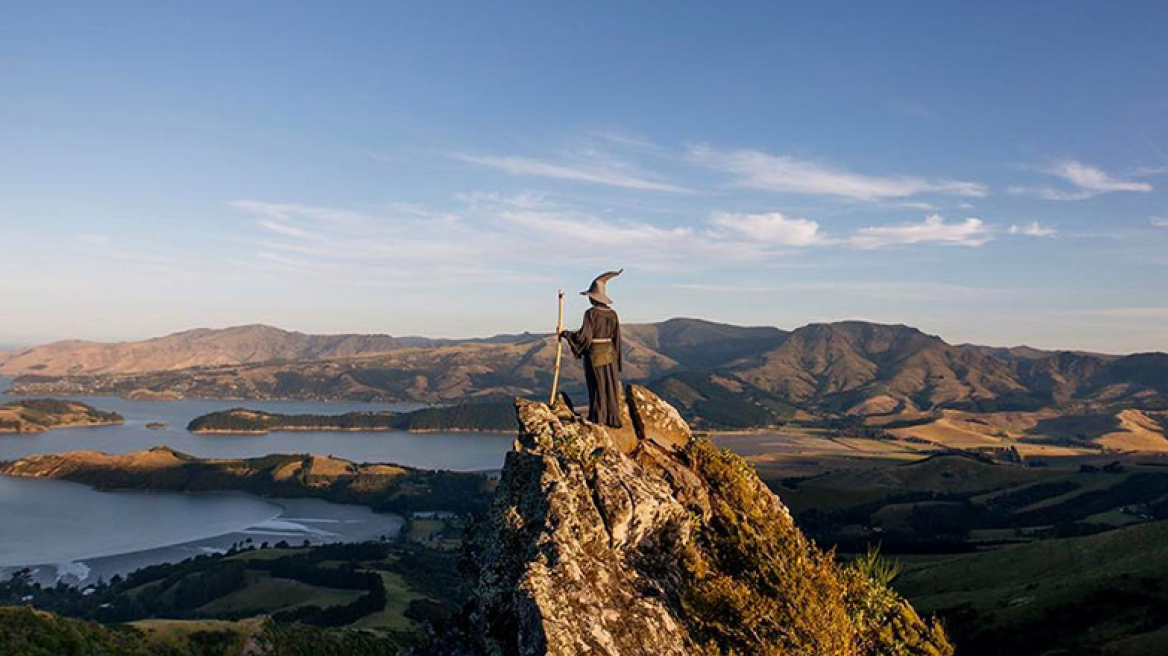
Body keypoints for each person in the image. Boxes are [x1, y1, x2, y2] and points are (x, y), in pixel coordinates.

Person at [559, 270, 624, 427]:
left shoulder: (591, 314)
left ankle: (598, 417)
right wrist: (617, 359)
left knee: (597, 385)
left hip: (595, 354)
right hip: (610, 353)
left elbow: (584, 337)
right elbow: (617, 337)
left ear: (593, 297)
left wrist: (566, 334)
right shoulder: (612, 314)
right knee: (609, 385)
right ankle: (612, 418)